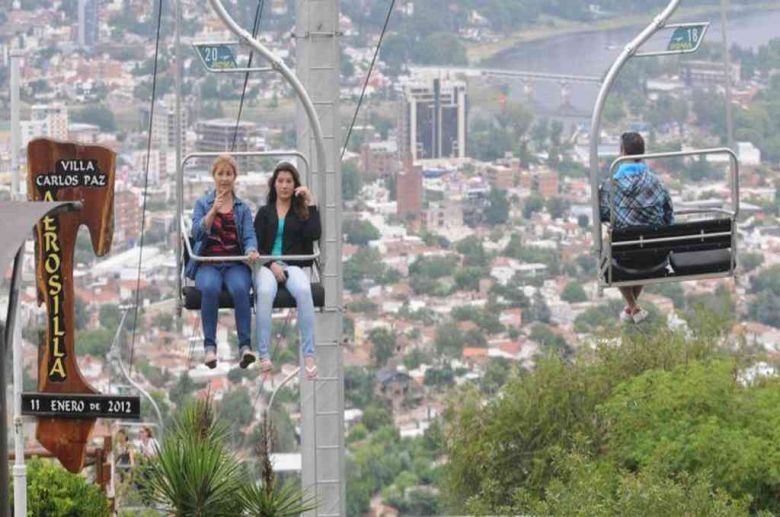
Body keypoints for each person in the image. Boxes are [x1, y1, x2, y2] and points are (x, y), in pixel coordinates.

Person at [186, 155, 260, 369]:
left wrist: (251, 250)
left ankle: (245, 346)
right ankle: (210, 347)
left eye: (229, 174)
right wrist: (213, 211)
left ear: (235, 177)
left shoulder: (242, 208)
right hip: (208, 262)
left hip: (234, 263)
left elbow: (248, 236)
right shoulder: (203, 204)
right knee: (210, 288)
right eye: (221, 174)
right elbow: (197, 234)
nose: (225, 179)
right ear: (214, 176)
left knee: (239, 289)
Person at [254, 162, 321, 379]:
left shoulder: (300, 213)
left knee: (303, 291)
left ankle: (309, 354)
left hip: (293, 264)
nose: (284, 186)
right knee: (264, 293)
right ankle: (264, 353)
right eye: (280, 181)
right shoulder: (265, 213)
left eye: (288, 182)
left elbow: (313, 234)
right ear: (274, 185)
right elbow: (255, 244)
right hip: (268, 264)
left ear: (295, 186)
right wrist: (270, 264)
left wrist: (309, 203)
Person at [599, 132, 674, 323]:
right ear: (642, 153)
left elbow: (604, 214)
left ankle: (632, 307)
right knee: (641, 245)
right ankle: (632, 308)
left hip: (625, 257)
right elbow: (669, 216)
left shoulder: (611, 184)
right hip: (655, 255)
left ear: (622, 152)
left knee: (616, 246)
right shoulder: (657, 182)